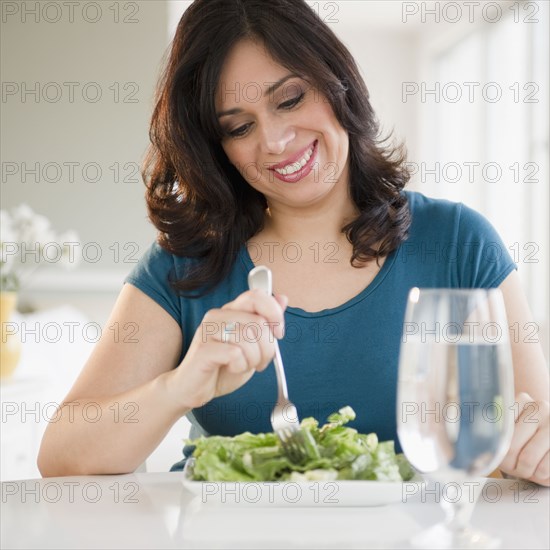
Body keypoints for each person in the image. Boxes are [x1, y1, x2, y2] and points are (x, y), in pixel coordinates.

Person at [38, 0, 549, 486]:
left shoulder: (458, 243)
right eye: (240, 127)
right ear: (219, 149)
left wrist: (530, 451)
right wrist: (179, 387)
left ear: (338, 83)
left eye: (290, 99)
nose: (275, 142)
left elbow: (532, 444)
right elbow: (62, 456)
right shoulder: (186, 263)